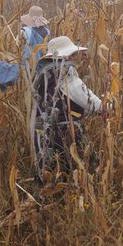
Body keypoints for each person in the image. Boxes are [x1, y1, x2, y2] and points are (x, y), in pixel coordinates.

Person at [30, 35, 109, 178]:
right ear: (66, 56)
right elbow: (86, 99)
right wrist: (108, 107)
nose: (74, 58)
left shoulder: (42, 73)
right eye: (72, 54)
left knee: (49, 173)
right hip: (65, 133)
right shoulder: (65, 73)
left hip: (43, 133)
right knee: (74, 171)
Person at [20, 5, 50, 74]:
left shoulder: (25, 31)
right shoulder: (47, 31)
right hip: (42, 65)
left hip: (27, 65)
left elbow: (18, 47)